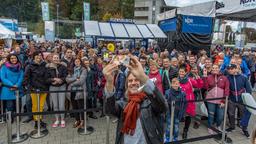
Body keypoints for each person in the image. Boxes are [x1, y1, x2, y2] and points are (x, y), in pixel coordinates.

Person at [103, 55, 168, 144]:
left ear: (141, 83)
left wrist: (143, 77)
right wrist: (110, 82)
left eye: (136, 80)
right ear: (127, 85)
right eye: (130, 81)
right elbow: (109, 111)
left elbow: (163, 106)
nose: (133, 83)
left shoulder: (150, 102)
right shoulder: (123, 104)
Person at [23, 51, 49, 129]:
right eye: (37, 55)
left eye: (40, 55)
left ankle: (40, 120)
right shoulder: (29, 66)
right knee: (35, 106)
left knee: (41, 106)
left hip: (43, 88)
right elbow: (26, 78)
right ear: (34, 57)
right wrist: (29, 87)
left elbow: (46, 76)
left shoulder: (44, 65)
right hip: (34, 89)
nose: (38, 57)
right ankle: (36, 122)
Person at [178, 65, 204, 139]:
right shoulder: (176, 80)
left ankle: (185, 130)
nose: (181, 73)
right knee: (178, 117)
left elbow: (199, 86)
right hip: (179, 102)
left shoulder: (190, 80)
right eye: (180, 71)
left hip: (189, 102)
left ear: (186, 72)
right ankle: (175, 130)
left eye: (183, 72)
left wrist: (198, 79)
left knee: (188, 117)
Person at [226, 64, 252, 138]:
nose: (230, 70)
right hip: (231, 99)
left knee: (243, 114)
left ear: (236, 69)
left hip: (242, 100)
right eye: (229, 69)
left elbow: (249, 90)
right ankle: (232, 127)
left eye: (231, 69)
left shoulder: (243, 78)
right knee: (231, 114)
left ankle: (244, 128)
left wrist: (247, 100)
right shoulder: (227, 78)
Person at [203, 64, 230, 134]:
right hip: (210, 99)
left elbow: (227, 90)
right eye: (213, 68)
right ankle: (210, 127)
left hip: (220, 100)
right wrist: (205, 77)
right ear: (211, 69)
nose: (215, 69)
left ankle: (218, 126)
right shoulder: (209, 77)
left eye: (216, 68)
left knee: (220, 115)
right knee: (211, 114)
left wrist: (223, 101)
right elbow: (206, 87)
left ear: (219, 69)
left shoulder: (224, 78)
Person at [46, 53, 68, 128]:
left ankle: (62, 119)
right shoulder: (48, 67)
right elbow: (46, 79)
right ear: (52, 59)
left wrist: (60, 80)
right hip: (53, 87)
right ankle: (57, 119)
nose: (56, 59)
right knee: (55, 105)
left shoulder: (63, 67)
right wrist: (53, 79)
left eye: (57, 58)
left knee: (61, 104)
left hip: (62, 86)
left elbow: (66, 76)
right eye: (54, 58)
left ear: (59, 58)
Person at [66, 58, 87, 128]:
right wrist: (75, 78)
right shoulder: (71, 70)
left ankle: (82, 121)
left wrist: (71, 84)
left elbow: (81, 81)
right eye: (75, 61)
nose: (77, 62)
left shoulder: (83, 70)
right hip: (72, 91)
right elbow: (67, 79)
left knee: (81, 107)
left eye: (78, 61)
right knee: (74, 107)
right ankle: (77, 120)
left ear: (80, 62)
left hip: (80, 91)